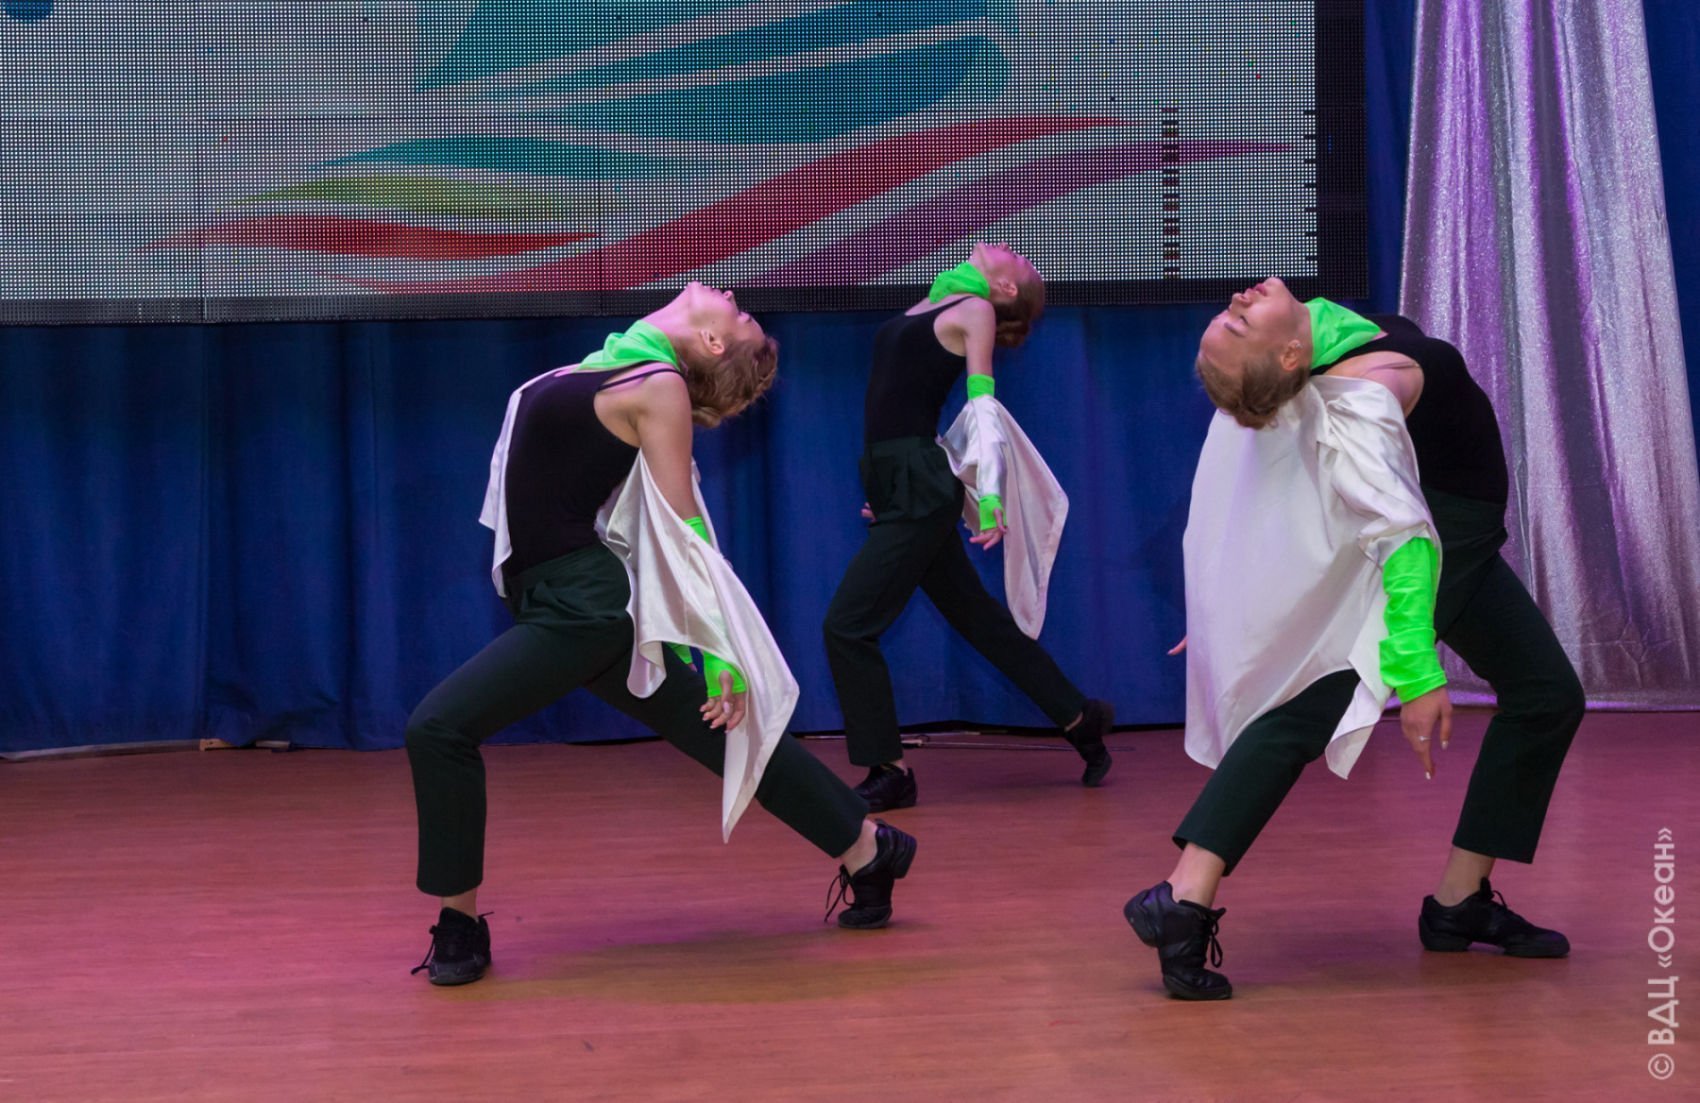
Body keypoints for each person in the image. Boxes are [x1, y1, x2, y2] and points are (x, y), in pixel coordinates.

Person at [406, 282, 916, 986]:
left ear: (711, 342)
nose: (731, 293)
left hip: (583, 609)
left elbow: (685, 530)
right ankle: (867, 847)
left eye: (739, 314)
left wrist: (719, 649)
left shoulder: (659, 384)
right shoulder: (610, 364)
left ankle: (459, 923)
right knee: (721, 736)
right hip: (557, 598)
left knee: (438, 729)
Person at [1125, 278, 1581, 1000]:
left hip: (1457, 539)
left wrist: (1226, 600)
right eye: (1237, 325)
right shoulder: (1368, 393)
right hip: (1434, 544)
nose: (1236, 302)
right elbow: (1402, 532)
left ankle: (1459, 903)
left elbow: (1255, 499)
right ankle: (1184, 893)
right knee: (1317, 703)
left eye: (1229, 316)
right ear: (1285, 356)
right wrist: (1418, 672)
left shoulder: (1313, 351)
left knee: (1547, 696)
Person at [822, 243, 1114, 812]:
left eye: (1020, 259)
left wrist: (991, 491)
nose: (1006, 246)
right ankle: (1080, 718)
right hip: (901, 479)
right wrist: (887, 489)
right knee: (978, 620)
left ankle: (890, 771)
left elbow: (984, 407)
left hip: (920, 484)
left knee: (847, 627)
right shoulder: (933, 303)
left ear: (1006, 289)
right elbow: (894, 403)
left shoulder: (975, 309)